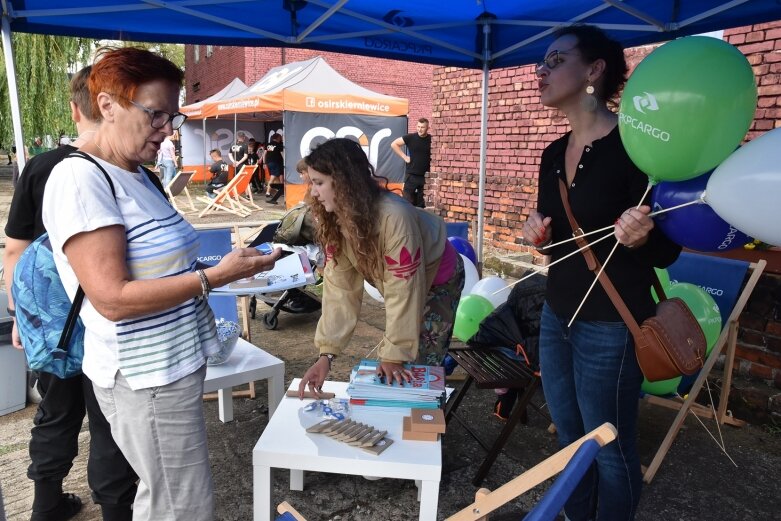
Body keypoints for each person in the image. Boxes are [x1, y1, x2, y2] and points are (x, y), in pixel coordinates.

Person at [40, 47, 282, 521]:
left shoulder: (137, 174)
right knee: (182, 506)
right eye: (156, 115)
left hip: (172, 365)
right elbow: (111, 298)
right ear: (107, 105)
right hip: (145, 377)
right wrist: (214, 277)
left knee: (169, 498)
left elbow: (165, 264)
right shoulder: (79, 180)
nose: (168, 129)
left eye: (174, 116)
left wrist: (224, 269)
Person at [521, 25, 681, 521]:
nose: (540, 70)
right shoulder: (552, 153)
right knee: (570, 442)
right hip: (557, 315)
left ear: (594, 71)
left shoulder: (638, 148)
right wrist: (535, 231)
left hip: (612, 324)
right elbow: (560, 235)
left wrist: (645, 235)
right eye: (540, 61)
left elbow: (668, 251)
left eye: (554, 59)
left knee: (609, 449)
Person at [3, 66, 139, 521]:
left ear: (72, 108)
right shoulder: (126, 170)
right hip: (105, 321)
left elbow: (16, 251)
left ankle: (45, 507)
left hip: (55, 325)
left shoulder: (40, 167)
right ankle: (116, 510)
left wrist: (22, 315)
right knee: (109, 425)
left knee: (56, 415)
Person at [297, 138, 464, 397]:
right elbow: (339, 289)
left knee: (420, 363)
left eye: (319, 183)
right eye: (313, 183)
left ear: (343, 182)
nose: (314, 192)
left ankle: (423, 425)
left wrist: (395, 352)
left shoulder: (395, 216)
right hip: (403, 282)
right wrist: (326, 354)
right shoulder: (336, 219)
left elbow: (403, 289)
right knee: (400, 362)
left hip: (440, 279)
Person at [390, 117, 431, 208]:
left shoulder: (432, 140)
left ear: (428, 128)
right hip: (411, 176)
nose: (420, 129)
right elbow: (394, 144)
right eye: (418, 126)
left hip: (425, 176)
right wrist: (404, 157)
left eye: (422, 127)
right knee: (406, 202)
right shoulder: (410, 137)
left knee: (422, 204)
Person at [263, 132, 284, 204]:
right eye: (280, 138)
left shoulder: (268, 145)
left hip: (269, 163)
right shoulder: (279, 145)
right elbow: (282, 154)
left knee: (277, 176)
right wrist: (286, 161)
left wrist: (264, 163)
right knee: (272, 178)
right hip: (276, 163)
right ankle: (268, 192)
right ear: (278, 138)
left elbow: (264, 154)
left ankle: (281, 190)